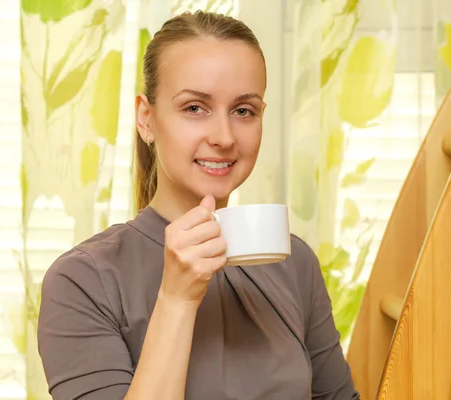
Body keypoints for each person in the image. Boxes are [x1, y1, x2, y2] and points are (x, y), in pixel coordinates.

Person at [37, 10, 360, 400]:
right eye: (194, 108)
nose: (223, 136)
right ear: (146, 118)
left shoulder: (295, 263)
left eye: (244, 111)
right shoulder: (81, 281)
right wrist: (176, 298)